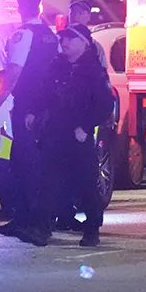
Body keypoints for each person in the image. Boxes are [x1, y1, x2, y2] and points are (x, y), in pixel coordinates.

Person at [29, 24, 114, 247]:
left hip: (78, 137)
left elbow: (105, 104)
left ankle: (92, 230)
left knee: (86, 183)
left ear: (84, 44)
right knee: (48, 181)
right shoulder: (56, 67)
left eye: (70, 39)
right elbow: (42, 94)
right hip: (54, 133)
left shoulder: (94, 72)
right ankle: (42, 228)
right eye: (63, 39)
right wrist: (33, 113)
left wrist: (85, 127)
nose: (64, 43)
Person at [0, 0, 60, 245]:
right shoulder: (50, 35)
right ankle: (23, 220)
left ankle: (34, 224)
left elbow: (14, 71)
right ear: (39, 7)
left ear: (21, 8)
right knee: (29, 163)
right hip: (46, 107)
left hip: (27, 105)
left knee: (25, 164)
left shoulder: (23, 34)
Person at [55, 0, 114, 232]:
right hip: (63, 129)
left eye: (81, 12)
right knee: (61, 176)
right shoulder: (62, 57)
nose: (75, 15)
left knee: (86, 177)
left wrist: (87, 125)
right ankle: (64, 216)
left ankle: (92, 225)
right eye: (73, 12)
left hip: (83, 129)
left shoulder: (92, 59)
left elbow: (103, 98)